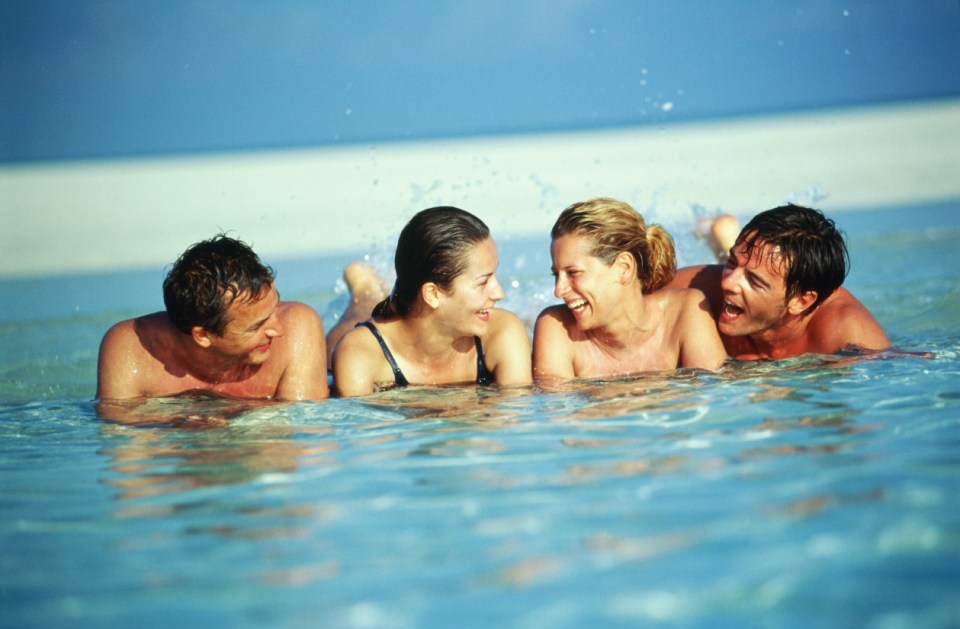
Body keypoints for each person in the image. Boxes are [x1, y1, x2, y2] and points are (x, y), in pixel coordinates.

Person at [96, 234, 329, 409]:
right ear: (203, 335)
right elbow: (123, 447)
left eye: (274, 307)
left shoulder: (298, 328)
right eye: (257, 326)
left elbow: (306, 433)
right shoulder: (130, 349)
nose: (278, 330)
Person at [331, 206, 532, 396]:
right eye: (483, 282)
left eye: (494, 275)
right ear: (433, 294)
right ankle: (364, 288)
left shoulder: (503, 332)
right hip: (379, 337)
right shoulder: (360, 353)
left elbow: (512, 419)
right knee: (360, 310)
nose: (499, 293)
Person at [532, 197, 727, 381]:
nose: (558, 291)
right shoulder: (556, 328)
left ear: (624, 268)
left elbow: (714, 402)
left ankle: (723, 241)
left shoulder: (686, 311)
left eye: (573, 273)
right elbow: (555, 411)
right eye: (556, 275)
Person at [669, 204, 890, 360]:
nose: (727, 283)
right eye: (732, 261)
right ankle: (722, 237)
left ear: (801, 301)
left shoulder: (846, 334)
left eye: (754, 281)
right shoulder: (700, 289)